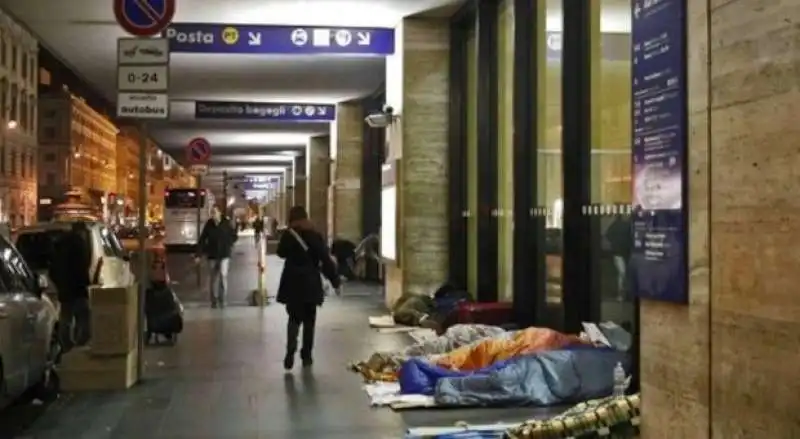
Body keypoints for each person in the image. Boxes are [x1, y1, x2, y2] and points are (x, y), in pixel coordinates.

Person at [276, 205, 339, 370]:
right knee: (309, 321)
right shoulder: (314, 234)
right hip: (310, 282)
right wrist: (335, 281)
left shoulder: (289, 235)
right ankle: (307, 356)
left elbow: (280, 252)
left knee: (294, 318)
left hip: (292, 282)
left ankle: (290, 351)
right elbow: (325, 259)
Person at [50, 222, 92, 348]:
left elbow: (53, 268)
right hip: (78, 287)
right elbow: (82, 266)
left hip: (64, 288)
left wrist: (59, 284)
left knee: (66, 316)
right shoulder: (79, 244)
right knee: (83, 316)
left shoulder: (60, 246)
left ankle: (65, 342)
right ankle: (80, 341)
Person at [196, 205, 238, 308]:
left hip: (224, 254)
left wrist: (229, 244)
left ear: (219, 213)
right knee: (213, 278)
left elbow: (234, 236)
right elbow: (202, 239)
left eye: (215, 212)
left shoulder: (226, 223)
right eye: (212, 212)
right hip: (212, 255)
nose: (213, 215)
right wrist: (198, 254)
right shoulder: (209, 224)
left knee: (223, 276)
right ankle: (213, 300)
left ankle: (222, 299)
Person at [605, 214, 632, 300]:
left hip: (619, 252)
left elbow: (608, 235)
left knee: (622, 273)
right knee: (623, 273)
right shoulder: (629, 225)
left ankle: (622, 294)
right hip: (624, 253)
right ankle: (622, 294)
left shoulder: (616, 224)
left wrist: (614, 243)